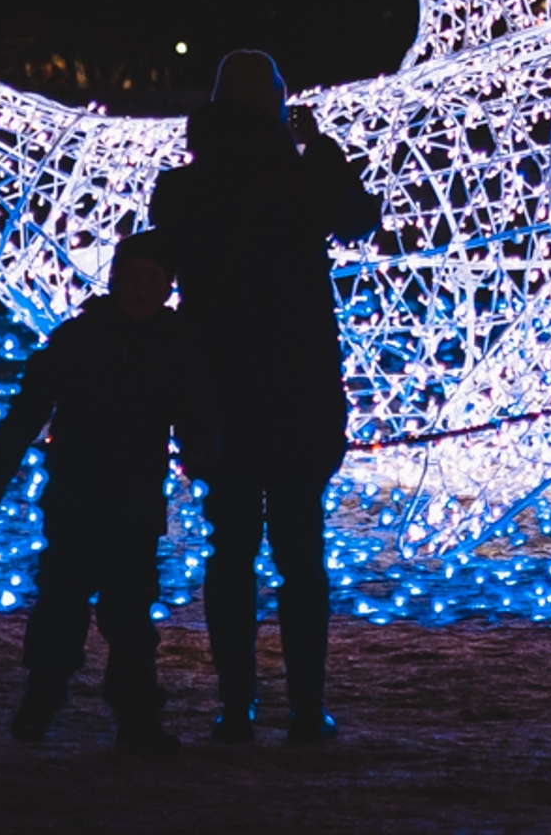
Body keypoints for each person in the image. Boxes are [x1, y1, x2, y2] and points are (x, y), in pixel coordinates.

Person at [142, 48, 380, 744]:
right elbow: (361, 218)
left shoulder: (181, 189)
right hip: (297, 387)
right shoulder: (301, 178)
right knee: (301, 551)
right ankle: (307, 708)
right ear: (276, 102)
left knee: (230, 548)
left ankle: (236, 706)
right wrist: (318, 146)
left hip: (219, 389)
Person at [0, 233, 195, 750]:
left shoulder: (176, 344)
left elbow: (196, 414)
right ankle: (42, 698)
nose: (140, 290)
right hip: (77, 494)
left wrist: (210, 458)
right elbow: (28, 411)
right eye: (131, 278)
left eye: (152, 281)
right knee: (62, 599)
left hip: (135, 500)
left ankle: (135, 716)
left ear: (167, 287)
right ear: (113, 280)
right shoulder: (78, 338)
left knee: (132, 610)